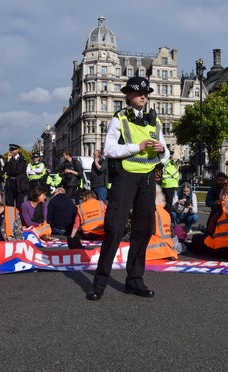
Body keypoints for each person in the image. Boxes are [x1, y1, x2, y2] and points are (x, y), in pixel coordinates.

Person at [87, 76, 169, 301]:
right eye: (139, 93)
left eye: (146, 93)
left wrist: (162, 149)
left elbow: (166, 154)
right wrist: (137, 147)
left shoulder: (155, 120)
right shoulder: (119, 118)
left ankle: (135, 280)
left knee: (143, 229)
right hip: (124, 177)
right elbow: (109, 150)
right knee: (114, 228)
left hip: (148, 179)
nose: (144, 96)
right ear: (128, 96)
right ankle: (99, 283)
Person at [146, 184, 182, 261]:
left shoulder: (150, 212)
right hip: (168, 248)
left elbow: (141, 232)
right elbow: (171, 234)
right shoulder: (165, 213)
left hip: (153, 249)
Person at [3, 144, 29, 209]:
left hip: (19, 184)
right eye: (10, 150)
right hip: (10, 183)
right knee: (9, 203)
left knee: (19, 203)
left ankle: (19, 217)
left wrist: (10, 171)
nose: (11, 151)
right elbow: (5, 170)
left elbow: (17, 170)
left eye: (13, 150)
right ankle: (11, 218)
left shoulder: (22, 159)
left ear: (17, 150)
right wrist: (8, 160)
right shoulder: (9, 159)